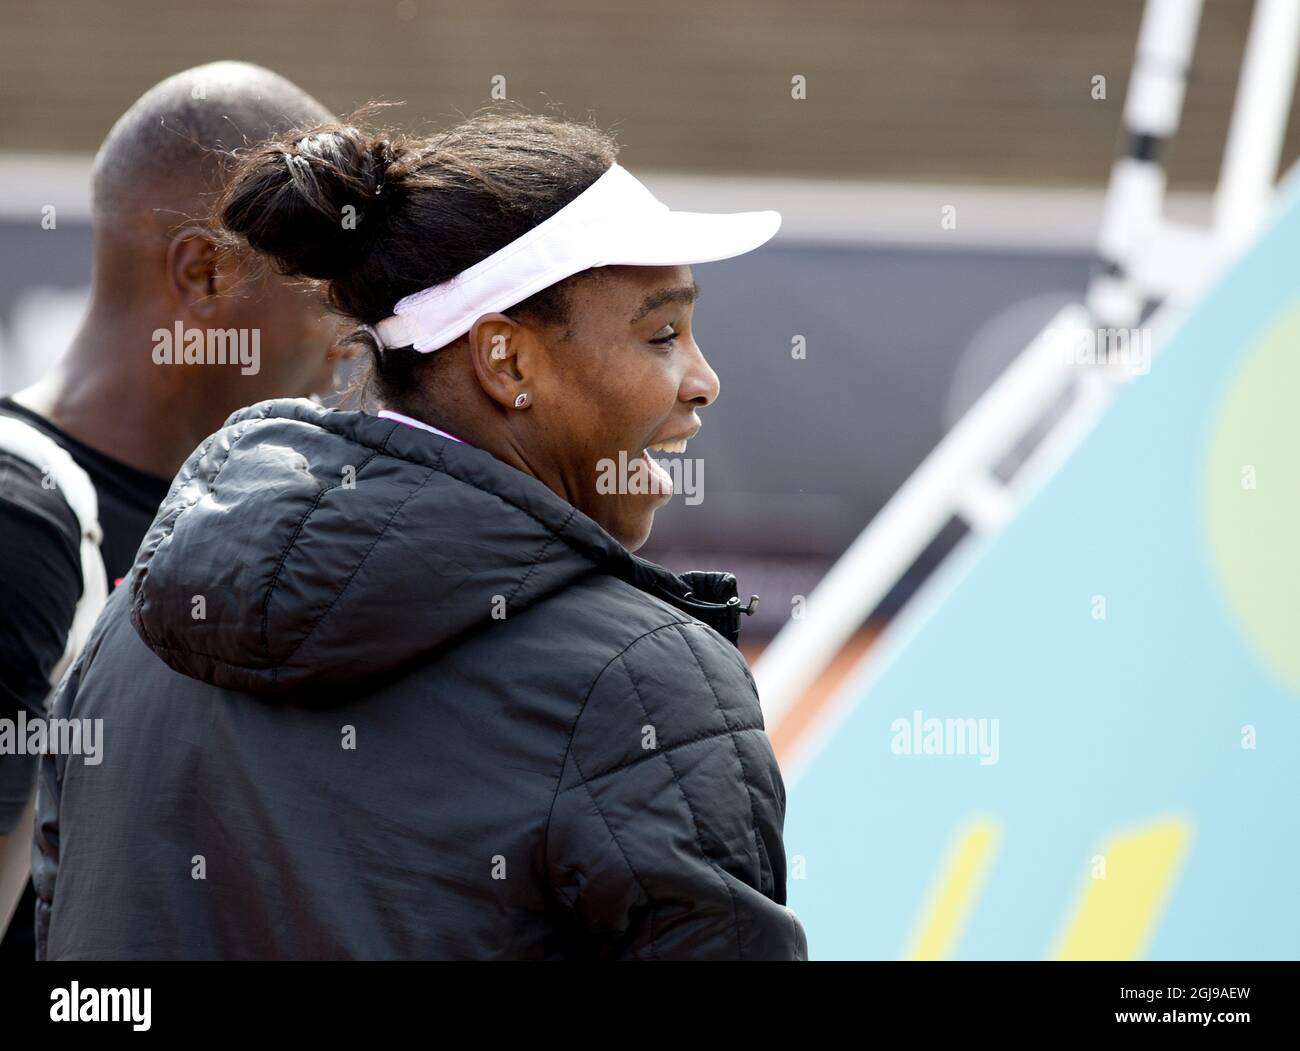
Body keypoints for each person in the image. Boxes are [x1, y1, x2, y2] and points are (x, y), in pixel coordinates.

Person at [33, 111, 808, 960]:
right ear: (507, 362)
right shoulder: (645, 685)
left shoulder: (130, 627)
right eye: (661, 334)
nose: (704, 381)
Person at [0, 61, 346, 957]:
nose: (350, 336)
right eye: (322, 291)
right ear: (202, 274)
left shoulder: (243, 521)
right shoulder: (19, 522)